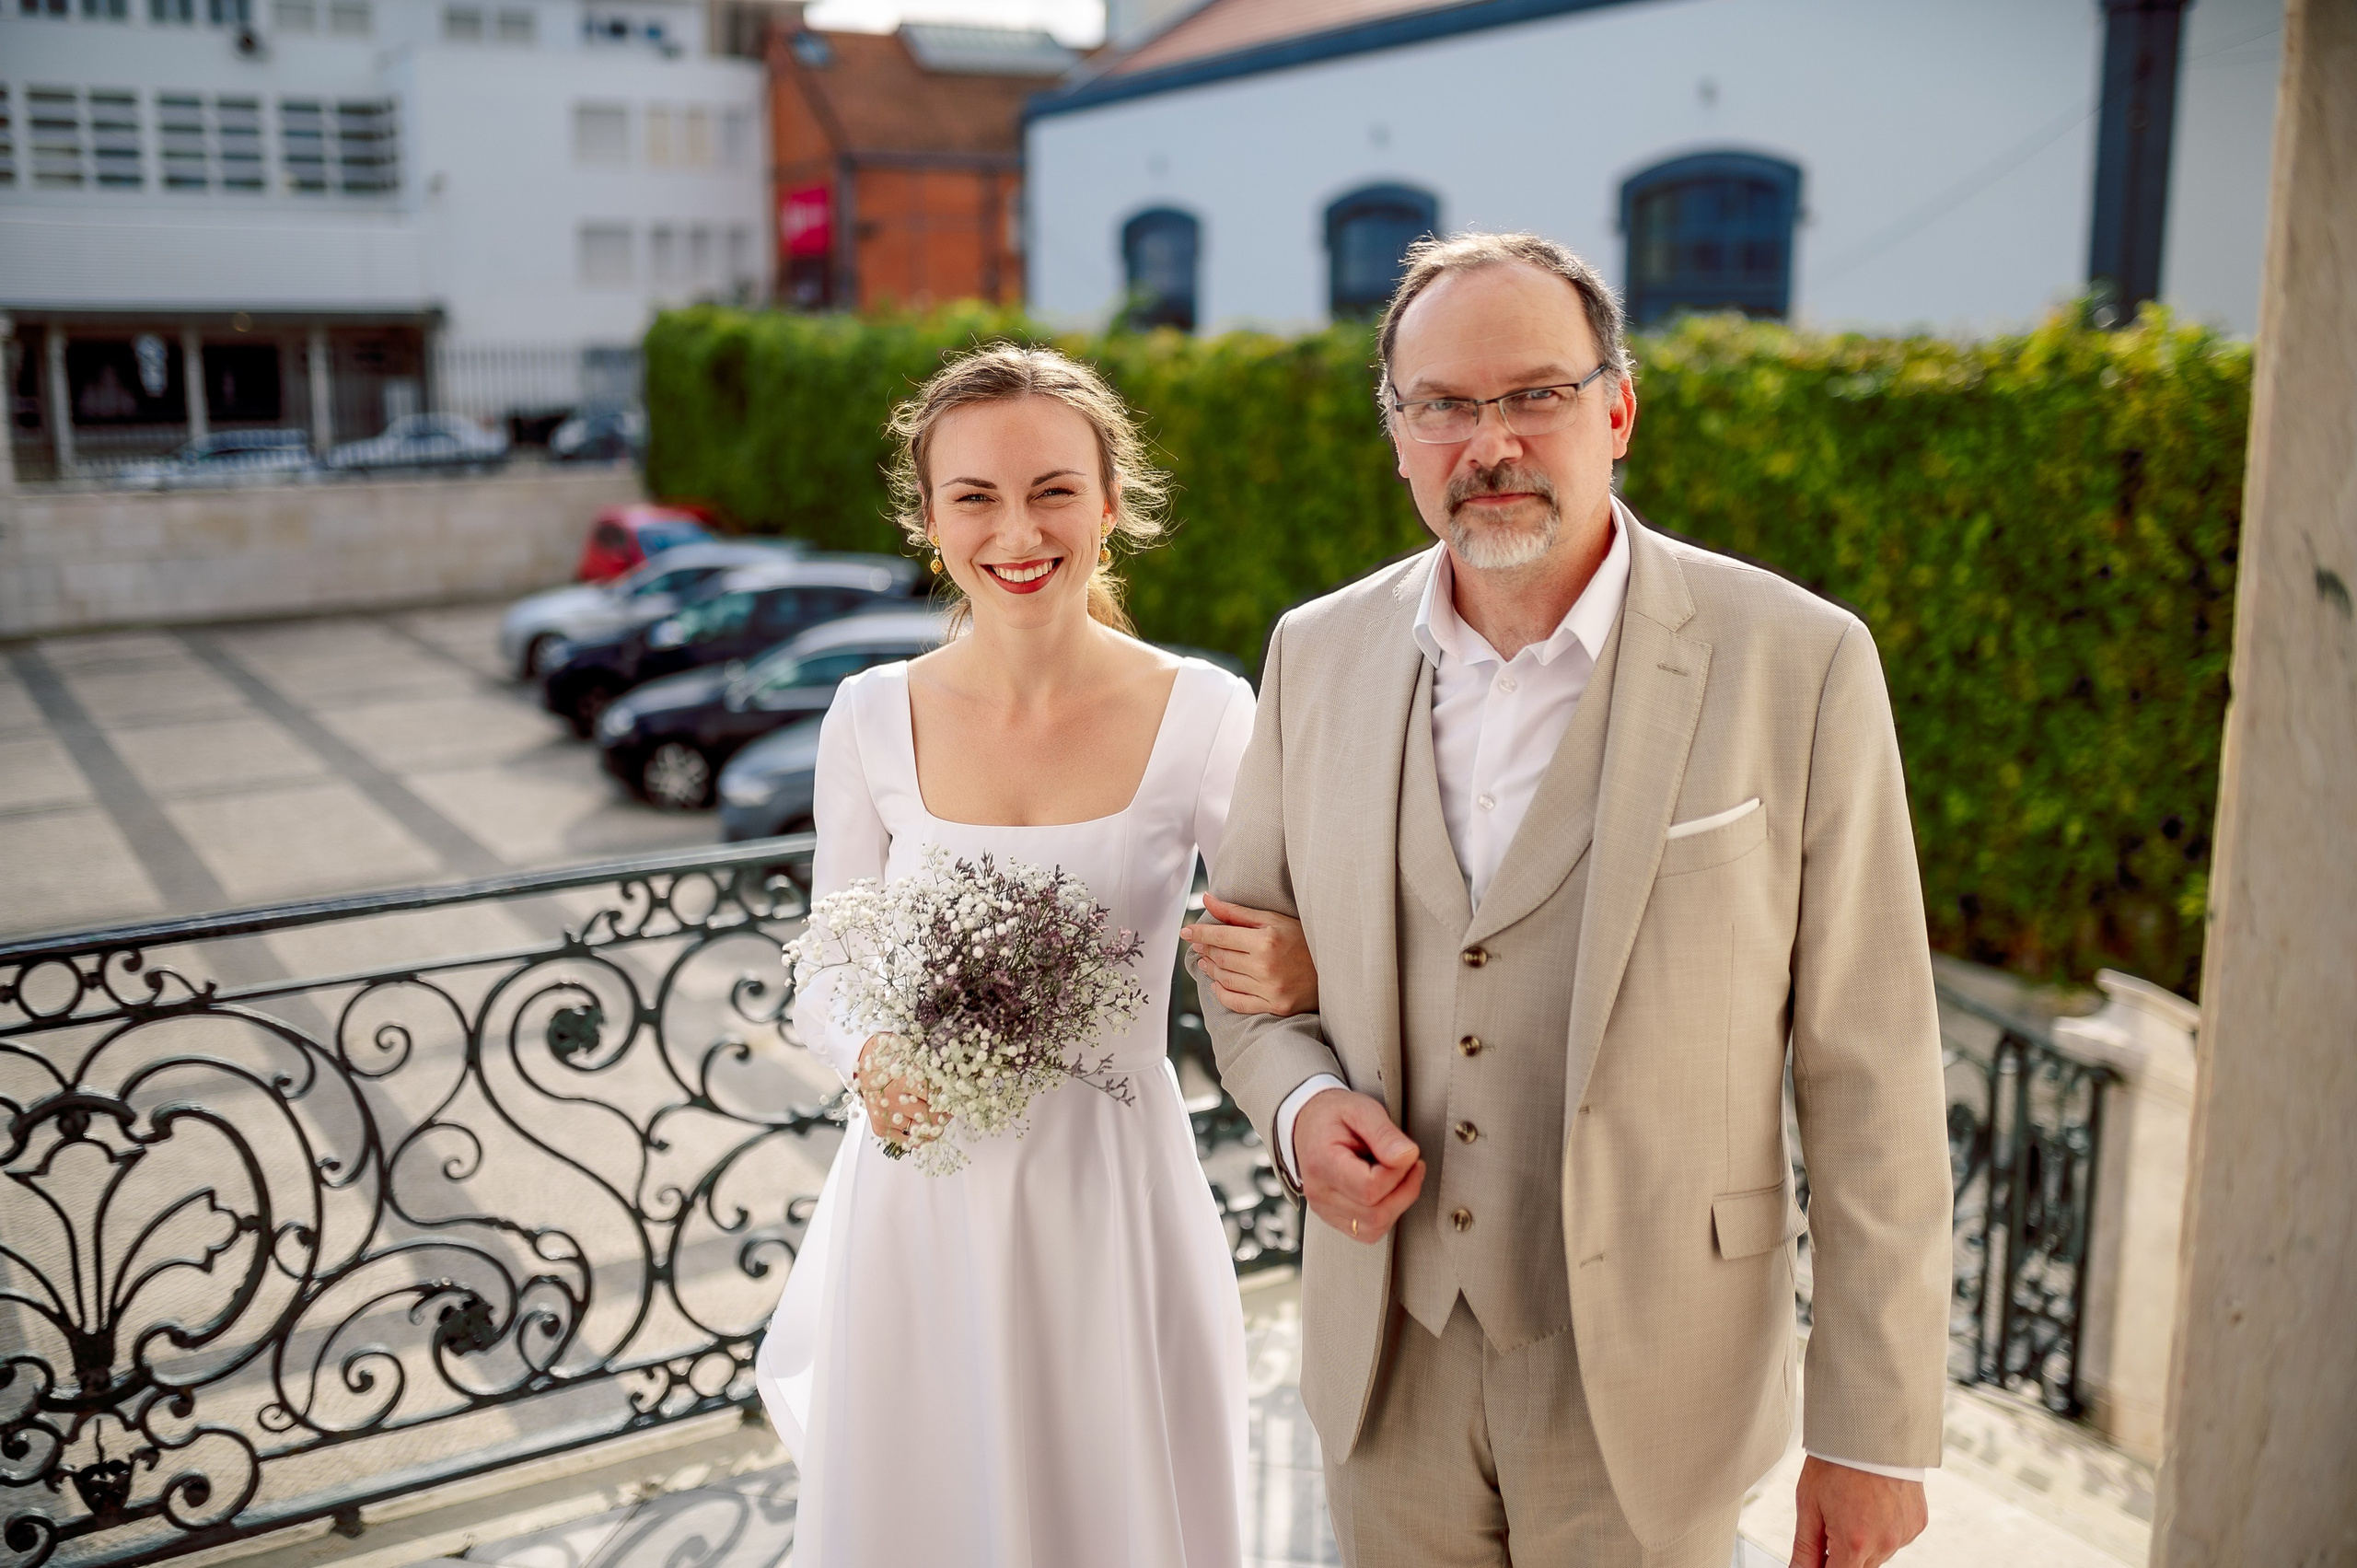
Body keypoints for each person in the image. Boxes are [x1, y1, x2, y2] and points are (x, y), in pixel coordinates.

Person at [1187, 232, 1953, 1568]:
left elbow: (1873, 1066)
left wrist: (1875, 1430)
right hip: (1388, 1365)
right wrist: (1302, 1110)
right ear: (1400, 436)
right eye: (1443, 405)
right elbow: (1242, 965)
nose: (1490, 442)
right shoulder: (1315, 656)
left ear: (1617, 410)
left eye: (1534, 394)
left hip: (1656, 1379)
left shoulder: (1803, 661)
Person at [755, 343, 1316, 1568]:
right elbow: (827, 961)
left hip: (1109, 1195)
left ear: (1112, 505)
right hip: (920, 1202)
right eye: (977, 497)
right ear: (930, 521)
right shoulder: (866, 715)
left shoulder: (1205, 714)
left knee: (1115, 1506)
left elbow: (1295, 925)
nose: (1019, 530)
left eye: (1055, 489)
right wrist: (870, 1049)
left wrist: (1299, 967)